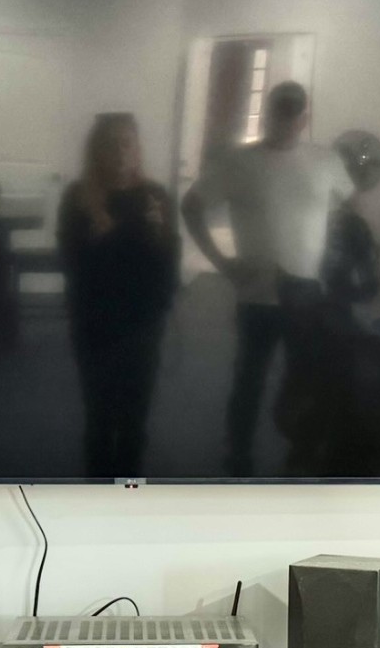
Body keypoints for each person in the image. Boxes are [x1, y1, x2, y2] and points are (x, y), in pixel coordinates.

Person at [181, 81, 356, 475]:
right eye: (279, 111)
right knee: (250, 379)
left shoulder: (325, 160)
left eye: (294, 113)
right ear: (267, 112)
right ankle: (238, 453)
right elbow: (191, 206)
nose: (286, 120)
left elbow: (350, 204)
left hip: (308, 295)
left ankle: (301, 452)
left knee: (305, 381)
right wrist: (222, 262)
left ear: (304, 117)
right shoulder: (239, 162)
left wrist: (338, 256)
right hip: (257, 294)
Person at [58, 112, 180, 478]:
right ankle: (97, 497)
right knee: (99, 420)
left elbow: (168, 259)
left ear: (138, 148)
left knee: (133, 423)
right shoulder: (78, 198)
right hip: (94, 325)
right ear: (96, 150)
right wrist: (115, 237)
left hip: (142, 327)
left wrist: (160, 308)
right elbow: (71, 262)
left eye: (127, 143)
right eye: (111, 144)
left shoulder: (156, 197)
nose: (121, 152)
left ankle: (128, 496)